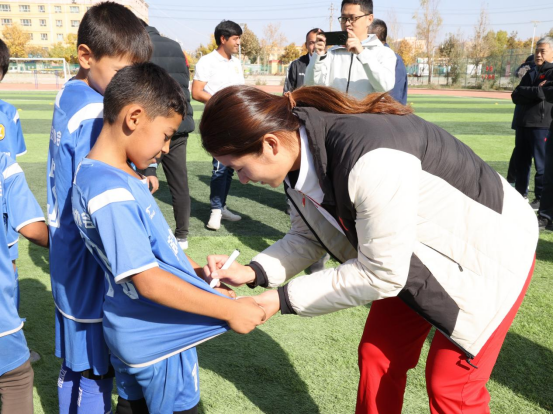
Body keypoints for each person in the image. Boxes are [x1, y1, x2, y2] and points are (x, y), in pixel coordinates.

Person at [200, 85, 539, 414]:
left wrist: (276, 300)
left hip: (490, 254)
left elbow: (382, 273)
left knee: (450, 386)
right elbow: (310, 236)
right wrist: (252, 272)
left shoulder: (370, 159)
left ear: (270, 144)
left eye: (239, 168)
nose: (242, 180)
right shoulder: (299, 153)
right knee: (378, 355)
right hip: (414, 256)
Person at [72, 63, 265, 414]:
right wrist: (229, 310)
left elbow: (156, 250)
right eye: (165, 135)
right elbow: (147, 280)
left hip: (136, 327)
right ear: (134, 117)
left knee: (133, 405)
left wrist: (197, 273)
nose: (164, 149)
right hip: (155, 333)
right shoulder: (111, 193)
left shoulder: (112, 175)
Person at [46, 3, 152, 413]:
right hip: (87, 259)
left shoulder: (71, 92)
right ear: (86, 56)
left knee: (81, 363)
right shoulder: (96, 114)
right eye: (121, 73)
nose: (129, 85)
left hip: (67, 250)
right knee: (92, 368)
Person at [0, 151, 49, 415]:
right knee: (16, 379)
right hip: (1, 322)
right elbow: (32, 229)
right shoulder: (3, 163)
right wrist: (69, 242)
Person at [141, 22, 195, 250]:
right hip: (179, 122)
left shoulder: (140, 46)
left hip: (154, 124)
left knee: (144, 178)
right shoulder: (176, 46)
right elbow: (184, 82)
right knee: (179, 183)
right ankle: (182, 236)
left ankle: (143, 231)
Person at [192, 20, 244, 231]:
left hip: (236, 120)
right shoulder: (207, 61)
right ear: (223, 39)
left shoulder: (236, 62)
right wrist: (221, 102)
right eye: (236, 38)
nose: (238, 43)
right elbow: (196, 92)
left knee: (230, 166)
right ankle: (215, 211)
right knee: (220, 166)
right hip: (218, 120)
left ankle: (221, 207)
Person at [305, 0, 397, 100]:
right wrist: (317, 57)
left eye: (353, 18)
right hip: (333, 110)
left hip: (367, 110)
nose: (347, 23)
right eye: (344, 18)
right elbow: (310, 87)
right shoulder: (331, 53)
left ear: (369, 19)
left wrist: (362, 53)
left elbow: (384, 87)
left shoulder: (384, 53)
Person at [511, 37, 553, 210]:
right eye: (537, 51)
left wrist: (527, 91)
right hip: (523, 124)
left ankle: (540, 198)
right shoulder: (531, 72)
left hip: (541, 125)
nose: (538, 54)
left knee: (541, 165)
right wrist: (534, 91)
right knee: (521, 163)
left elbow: (544, 94)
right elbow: (515, 95)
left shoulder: (551, 73)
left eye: (542, 51)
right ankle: (520, 194)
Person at [368, 19, 408, 105]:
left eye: (367, 36)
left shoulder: (394, 59)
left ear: (375, 38)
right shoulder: (367, 55)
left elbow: (394, 95)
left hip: (387, 111)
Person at [283, 28, 321, 93]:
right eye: (311, 43)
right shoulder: (296, 65)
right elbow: (287, 93)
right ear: (306, 45)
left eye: (319, 42)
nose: (315, 46)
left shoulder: (331, 64)